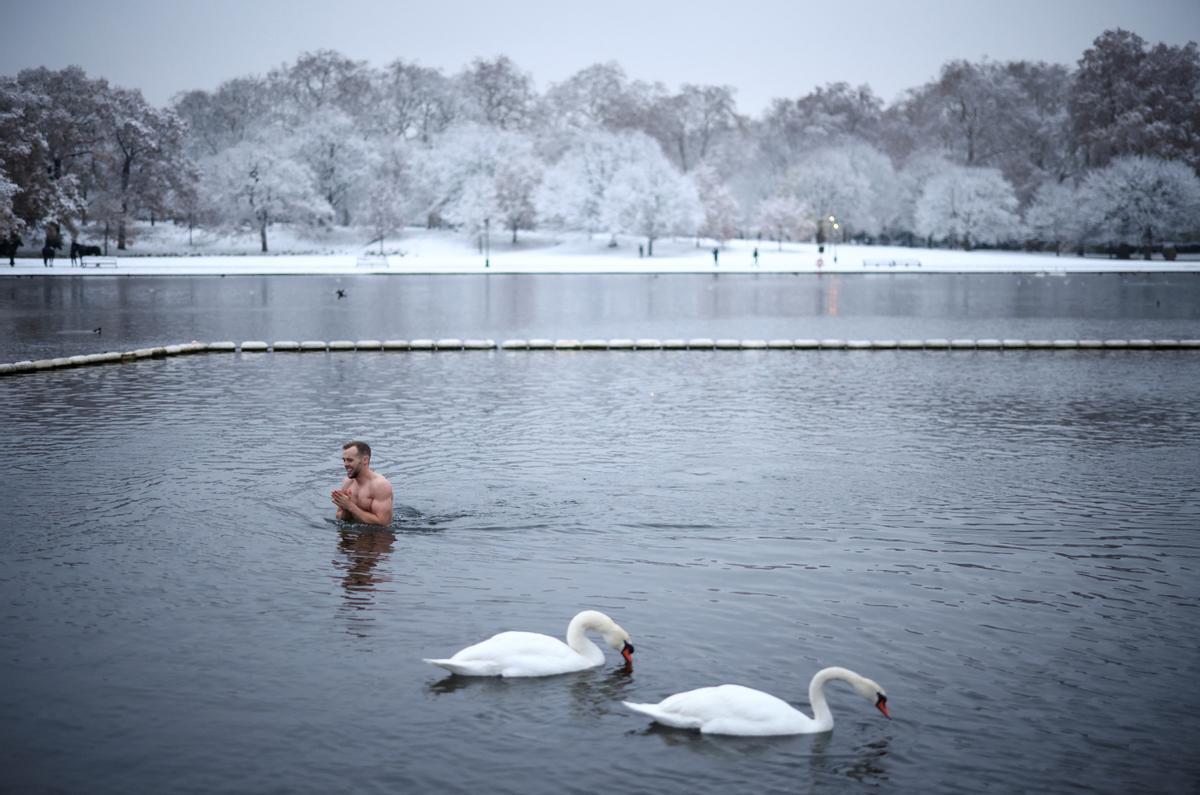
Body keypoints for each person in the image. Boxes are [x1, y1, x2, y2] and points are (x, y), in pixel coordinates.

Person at [331, 441, 394, 526]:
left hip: (378, 537)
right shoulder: (347, 482)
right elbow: (339, 517)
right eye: (344, 460)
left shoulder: (380, 485)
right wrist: (345, 507)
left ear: (365, 460)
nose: (345, 464)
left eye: (350, 460)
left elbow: (384, 523)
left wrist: (350, 506)